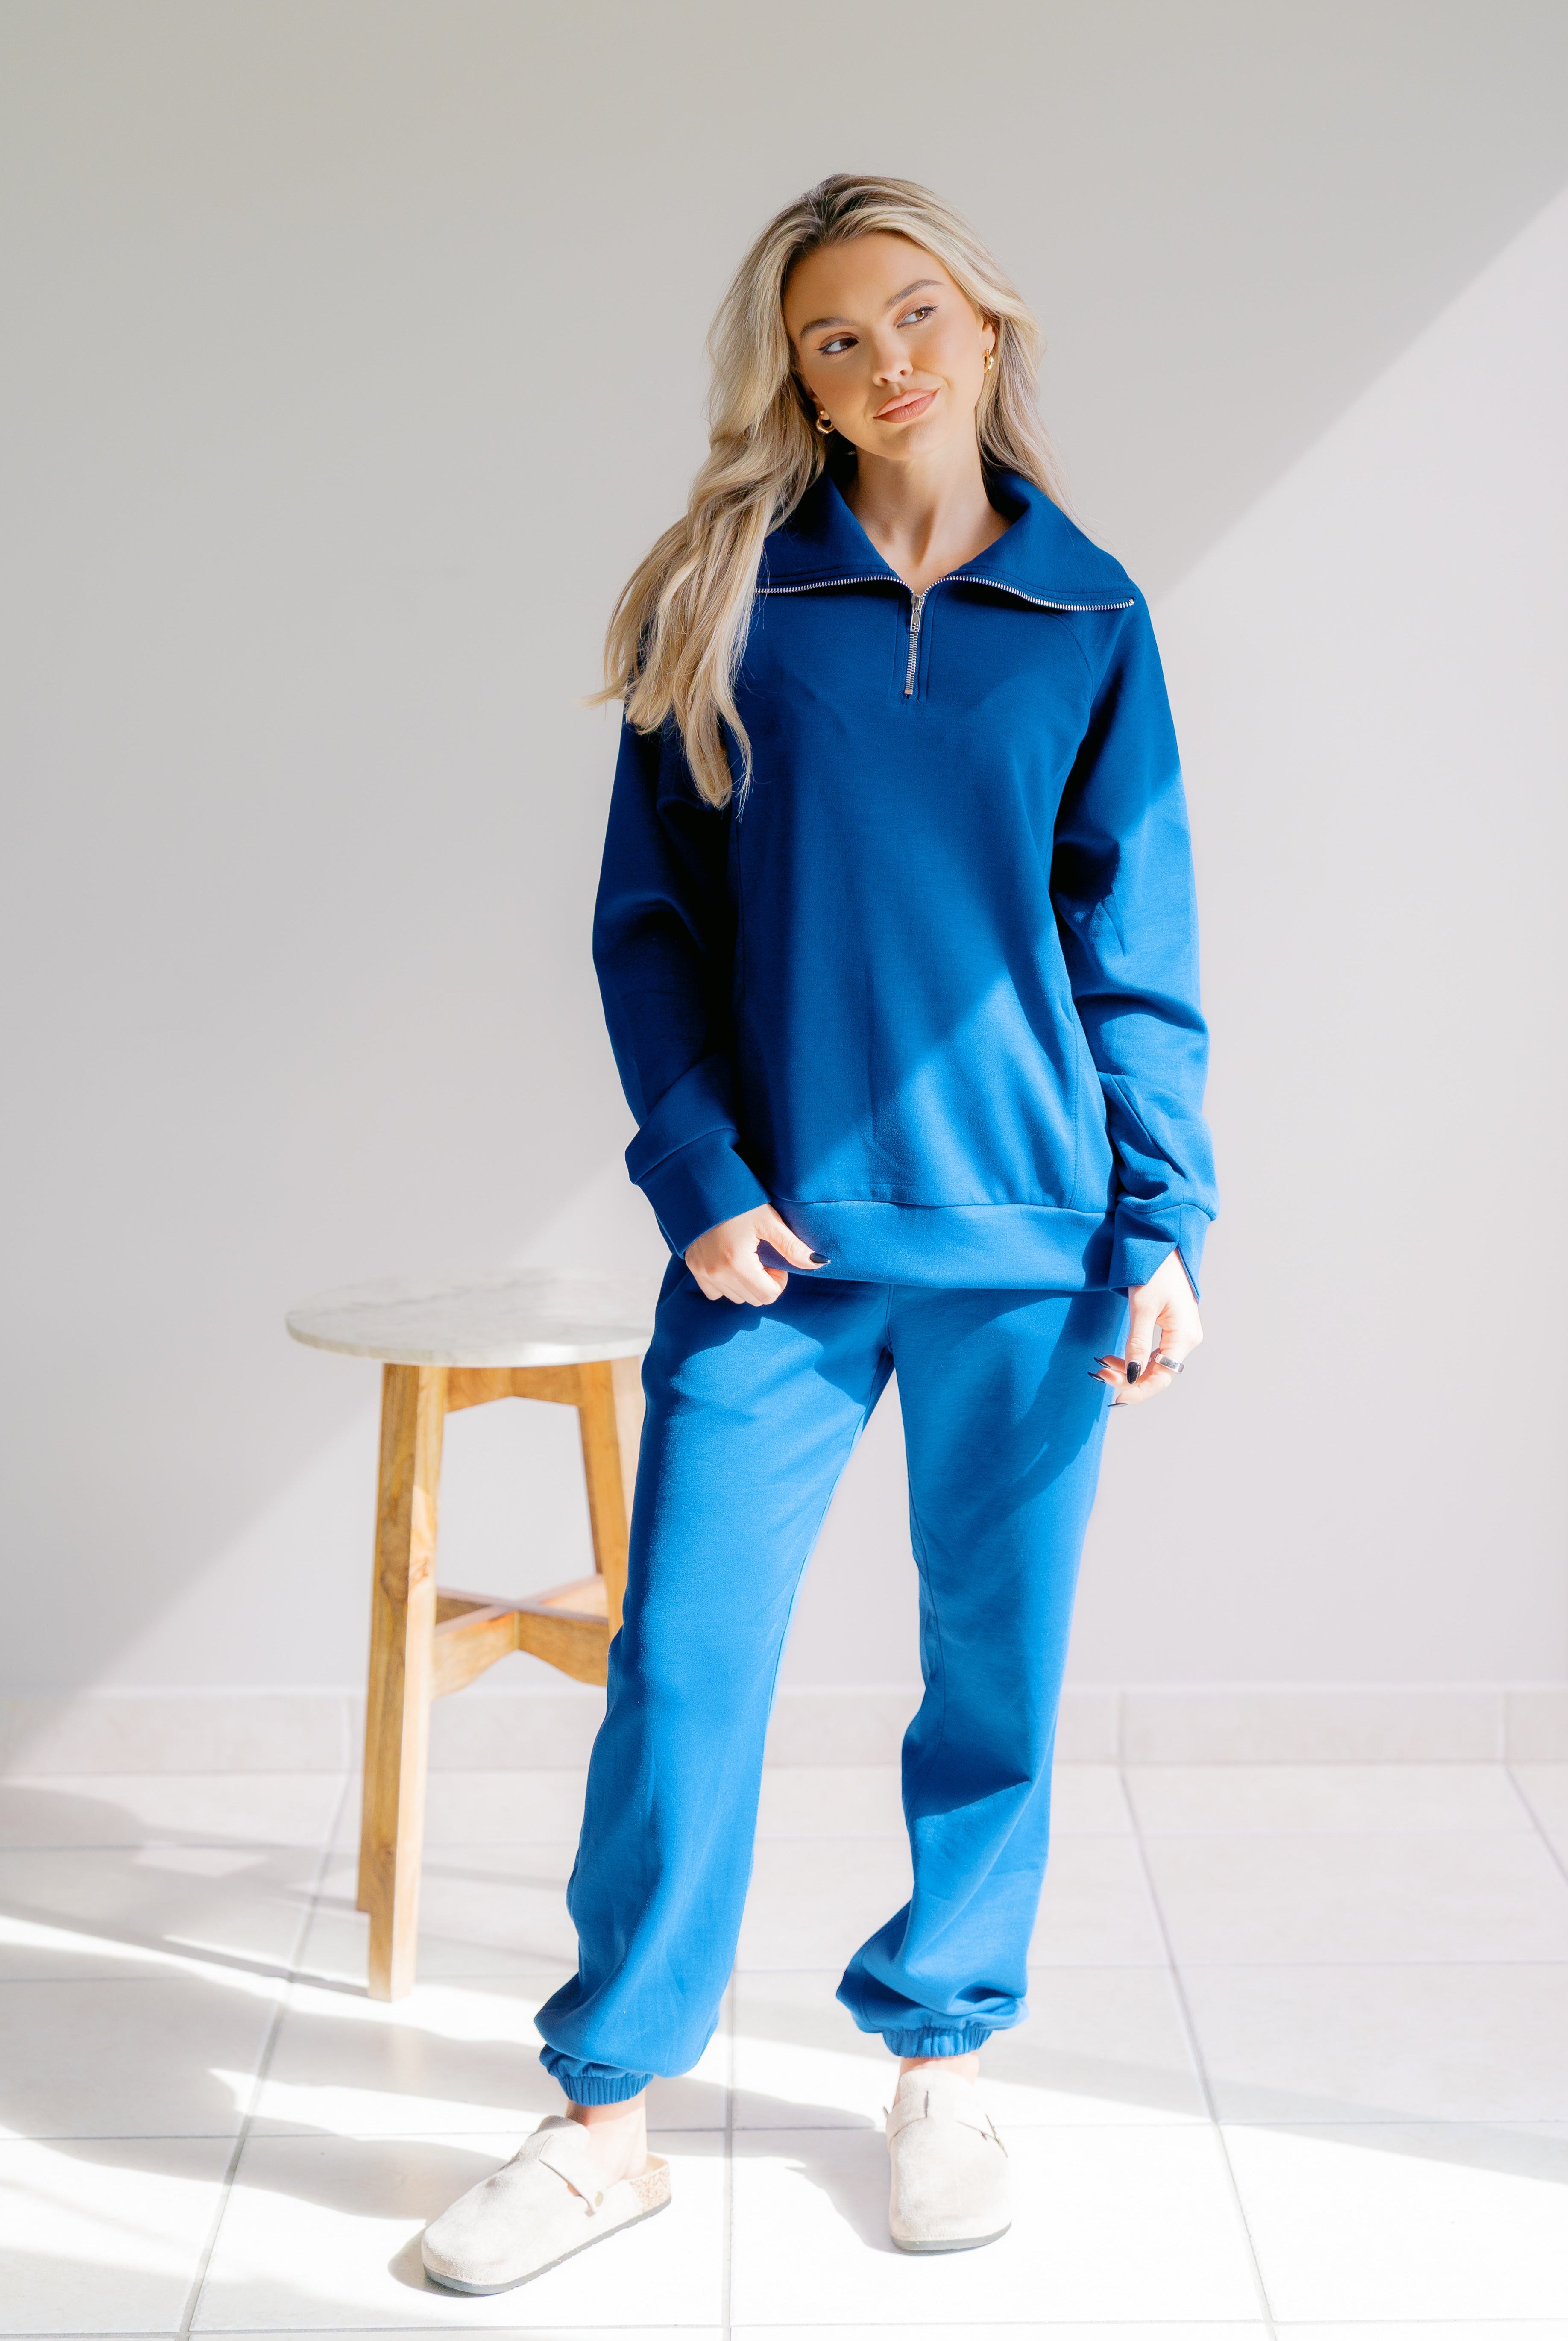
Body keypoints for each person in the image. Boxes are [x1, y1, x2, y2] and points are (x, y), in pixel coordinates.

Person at [421, 170, 1216, 2297]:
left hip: (1035, 1246)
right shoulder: (729, 597)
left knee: (994, 1678)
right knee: (680, 1667)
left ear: (988, 321)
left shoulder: (1092, 614)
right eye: (833, 338)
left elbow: (1130, 949)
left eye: (914, 315)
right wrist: (699, 1178)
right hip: (769, 1250)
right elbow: (648, 930)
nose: (882, 364)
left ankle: (943, 2053)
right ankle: (607, 2119)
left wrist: (1165, 1226)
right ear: (793, 372)